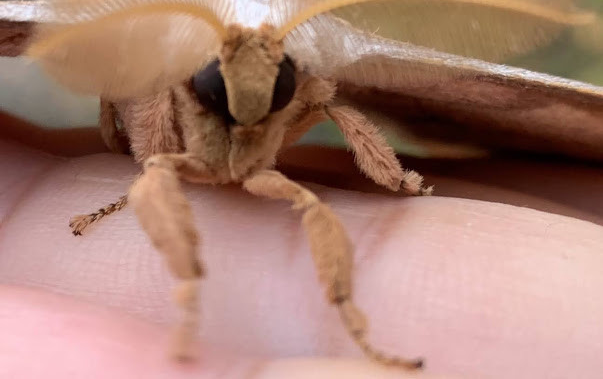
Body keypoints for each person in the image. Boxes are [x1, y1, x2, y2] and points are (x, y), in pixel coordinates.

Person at [1, 113, 601, 378]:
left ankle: (352, 319)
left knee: (310, 192)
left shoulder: (290, 102)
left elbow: (320, 97)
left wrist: (397, 180)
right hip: (160, 151)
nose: (250, 114)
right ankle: (185, 296)